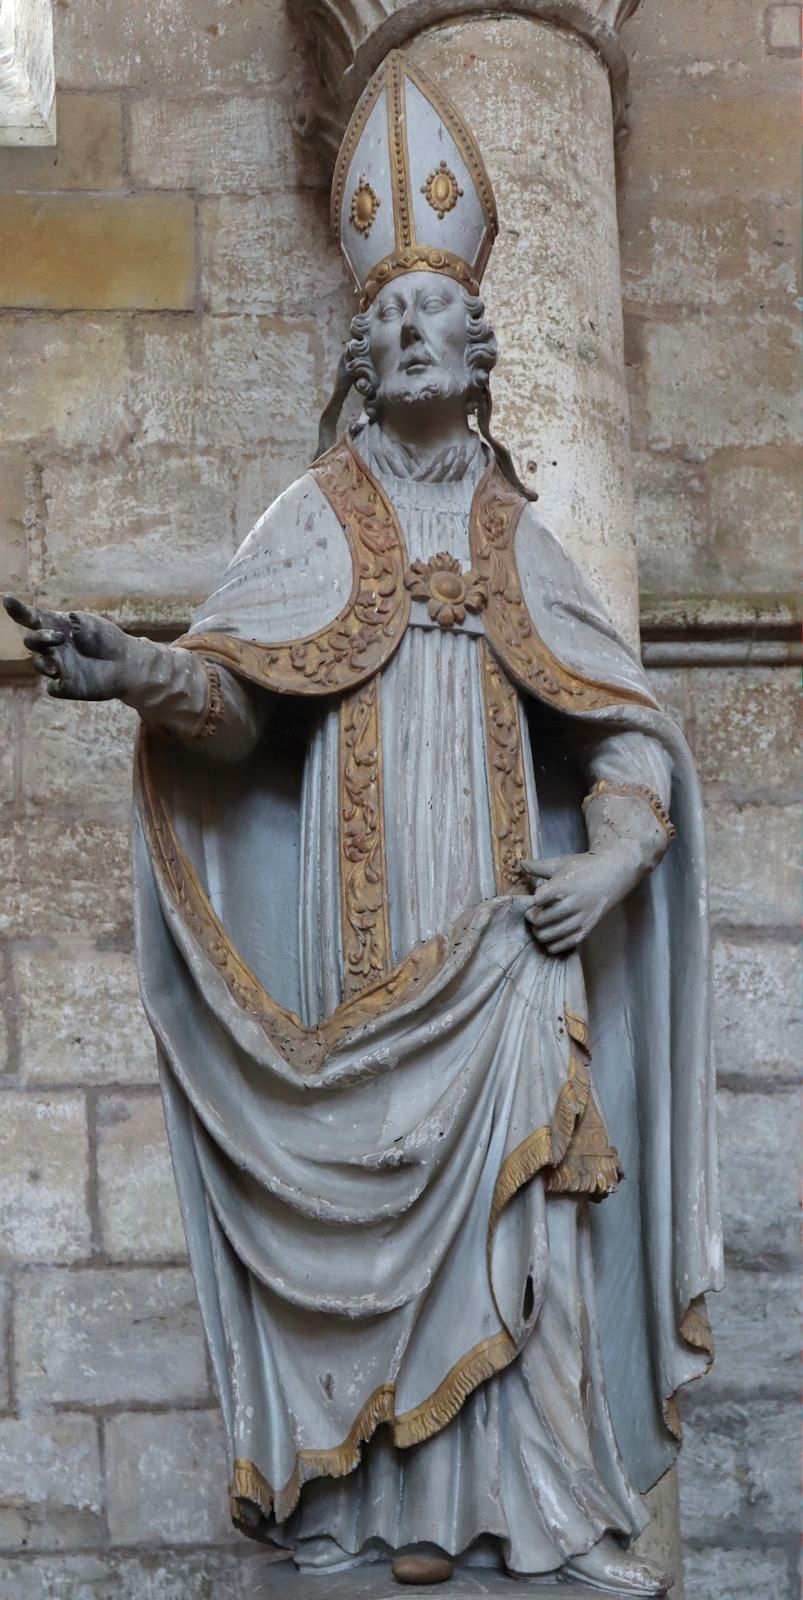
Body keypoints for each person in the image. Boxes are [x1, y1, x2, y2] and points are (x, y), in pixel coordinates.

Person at [5, 51, 721, 1595]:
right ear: (359, 350)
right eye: (384, 318)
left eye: (431, 317)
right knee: (377, 1205)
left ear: (478, 348)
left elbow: (625, 737)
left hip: (512, 932)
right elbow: (238, 705)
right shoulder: (309, 526)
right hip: (362, 949)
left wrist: (608, 868)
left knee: (529, 1222)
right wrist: (134, 669)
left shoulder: (523, 539)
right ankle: (379, 1513)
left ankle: (540, 1513)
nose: (408, 334)